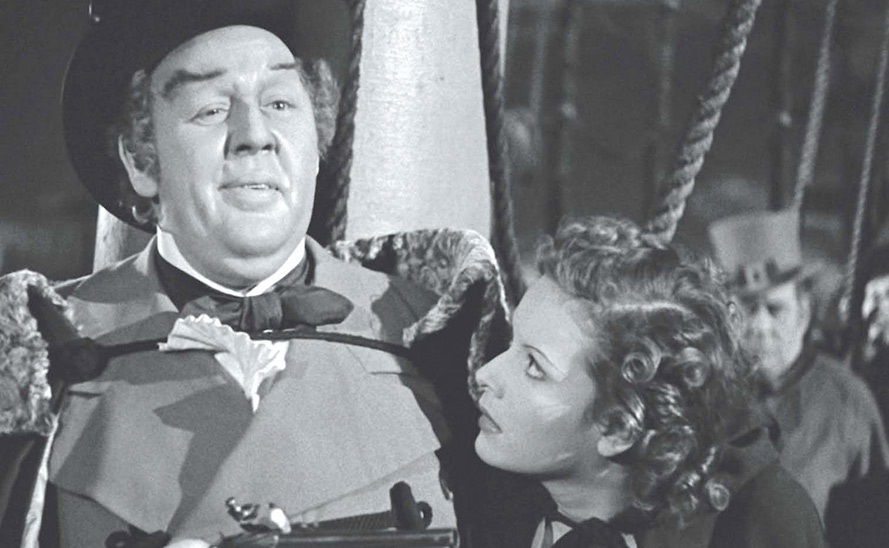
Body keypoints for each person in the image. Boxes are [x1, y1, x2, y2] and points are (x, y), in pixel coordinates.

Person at [0, 1, 496, 547]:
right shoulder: (41, 350)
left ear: (316, 145)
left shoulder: (441, 335)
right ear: (142, 163)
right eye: (211, 110)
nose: (254, 134)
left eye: (280, 103)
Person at [471, 215, 826, 548]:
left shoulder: (760, 523)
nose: (485, 374)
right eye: (511, 345)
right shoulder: (493, 496)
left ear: (618, 428)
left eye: (534, 366)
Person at [708, 208, 889, 545]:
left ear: (803, 313)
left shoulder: (848, 401)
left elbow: (876, 523)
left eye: (775, 308)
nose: (761, 325)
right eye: (748, 307)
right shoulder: (707, 396)